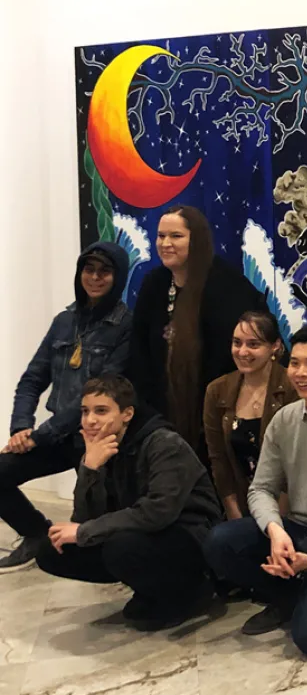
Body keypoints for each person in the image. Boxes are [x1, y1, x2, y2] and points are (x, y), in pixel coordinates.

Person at [203, 325, 307, 658]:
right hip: (296, 529)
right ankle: (288, 594)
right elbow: (262, 488)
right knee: (218, 542)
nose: (300, 373)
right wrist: (275, 530)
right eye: (295, 363)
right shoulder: (284, 420)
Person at [35, 375, 220, 630]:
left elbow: (157, 512)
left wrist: (85, 531)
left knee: (119, 546)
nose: (90, 420)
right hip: (142, 534)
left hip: (188, 536)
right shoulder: (98, 447)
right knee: (50, 548)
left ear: (127, 413)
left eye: (101, 411)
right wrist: (90, 468)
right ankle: (150, 588)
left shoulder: (164, 443)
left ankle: (192, 591)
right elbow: (83, 518)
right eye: (85, 411)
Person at [0, 242, 132, 571]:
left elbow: (99, 397)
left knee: (93, 532)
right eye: (89, 270)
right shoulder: (64, 321)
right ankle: (35, 533)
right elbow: (32, 379)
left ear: (118, 277)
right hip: (57, 437)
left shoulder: (126, 326)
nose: (96, 278)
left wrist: (40, 435)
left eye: (105, 271)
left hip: (99, 440)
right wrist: (21, 428)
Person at [128, 205, 262, 459]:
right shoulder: (154, 284)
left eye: (176, 236)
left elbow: (235, 356)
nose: (166, 243)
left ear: (196, 239)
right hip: (162, 412)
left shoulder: (227, 285)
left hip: (214, 415)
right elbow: (139, 351)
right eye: (161, 236)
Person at [203, 311, 297, 521]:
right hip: (242, 504)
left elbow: (294, 463)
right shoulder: (217, 391)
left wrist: (274, 522)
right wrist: (234, 513)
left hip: (289, 508)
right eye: (237, 343)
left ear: (275, 346)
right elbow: (218, 459)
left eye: (253, 344)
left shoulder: (293, 388)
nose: (242, 351)